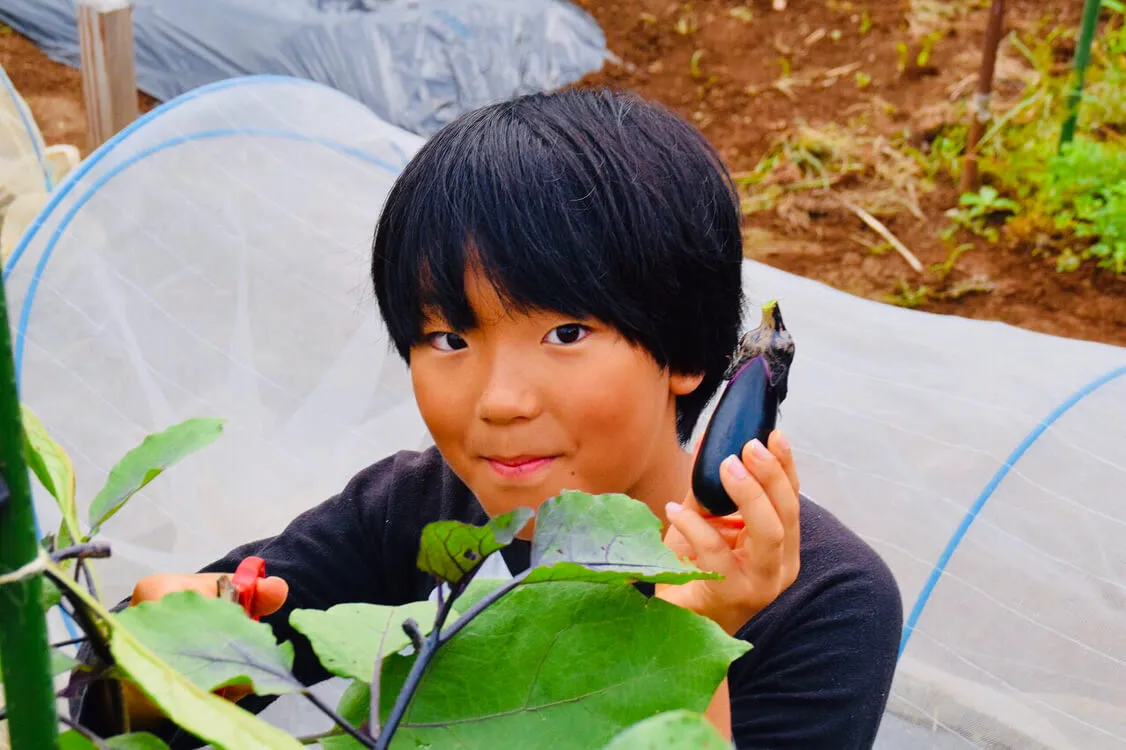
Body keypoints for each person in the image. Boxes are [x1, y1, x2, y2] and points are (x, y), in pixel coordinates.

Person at [71, 86, 903, 748]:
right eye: (447, 336)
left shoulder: (822, 602)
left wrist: (698, 642)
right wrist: (164, 651)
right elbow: (101, 719)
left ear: (685, 351)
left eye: (566, 332)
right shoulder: (416, 513)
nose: (500, 400)